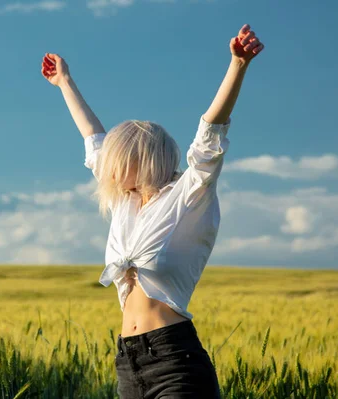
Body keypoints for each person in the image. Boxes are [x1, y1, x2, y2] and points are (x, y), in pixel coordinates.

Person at [42, 24, 264, 399]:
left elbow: (211, 133)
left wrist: (238, 66)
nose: (107, 168)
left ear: (141, 160)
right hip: (128, 364)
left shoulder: (190, 195)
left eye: (117, 160)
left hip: (175, 361)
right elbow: (93, 139)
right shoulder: (124, 205)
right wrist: (65, 83)